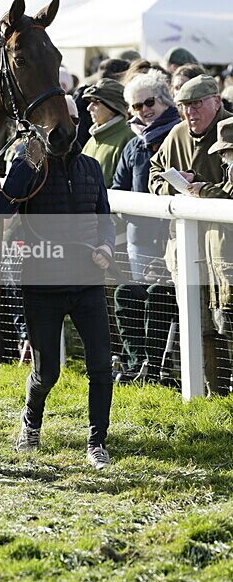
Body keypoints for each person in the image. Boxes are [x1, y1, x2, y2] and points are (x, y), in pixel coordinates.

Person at [0, 133, 116, 470]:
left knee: (100, 366)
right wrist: (25, 163)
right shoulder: (30, 168)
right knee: (46, 371)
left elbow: (104, 218)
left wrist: (107, 247)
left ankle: (97, 443)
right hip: (41, 285)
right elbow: (2, 208)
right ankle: (31, 423)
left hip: (87, 283)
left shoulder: (91, 168)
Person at [149, 74, 233, 395]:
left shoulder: (230, 130)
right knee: (198, 325)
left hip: (225, 251)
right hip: (185, 249)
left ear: (217, 101)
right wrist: (173, 185)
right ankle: (210, 395)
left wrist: (206, 192)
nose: (190, 112)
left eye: (197, 104)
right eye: (184, 106)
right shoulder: (177, 133)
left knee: (226, 322)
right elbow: (154, 173)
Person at [111, 69, 181, 384]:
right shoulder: (133, 145)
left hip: (173, 239)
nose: (143, 111)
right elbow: (118, 187)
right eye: (136, 106)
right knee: (131, 294)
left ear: (164, 100)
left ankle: (160, 369)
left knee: (161, 296)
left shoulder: (177, 135)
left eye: (148, 102)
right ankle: (139, 365)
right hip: (139, 238)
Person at [185, 116, 233, 392]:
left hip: (227, 268)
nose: (224, 158)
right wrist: (202, 185)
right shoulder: (228, 174)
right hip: (219, 270)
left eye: (227, 152)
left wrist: (206, 190)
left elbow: (227, 202)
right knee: (222, 328)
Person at [81, 78, 133, 187]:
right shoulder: (91, 140)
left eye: (95, 103)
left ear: (112, 106)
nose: (89, 108)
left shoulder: (129, 138)